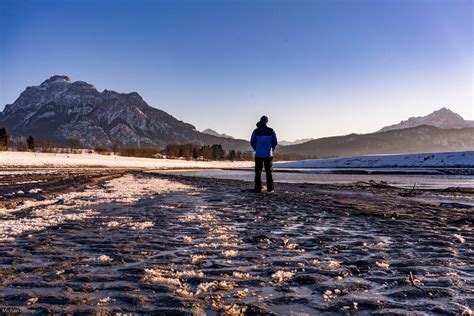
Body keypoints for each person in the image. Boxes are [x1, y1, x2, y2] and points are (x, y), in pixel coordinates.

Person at [250, 115, 278, 192]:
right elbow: (274, 142)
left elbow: (252, 142)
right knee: (269, 172)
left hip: (258, 154)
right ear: (267, 121)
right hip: (268, 154)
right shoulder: (271, 131)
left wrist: (257, 149)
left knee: (258, 172)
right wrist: (271, 149)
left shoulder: (255, 131)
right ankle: (270, 188)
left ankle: (258, 188)